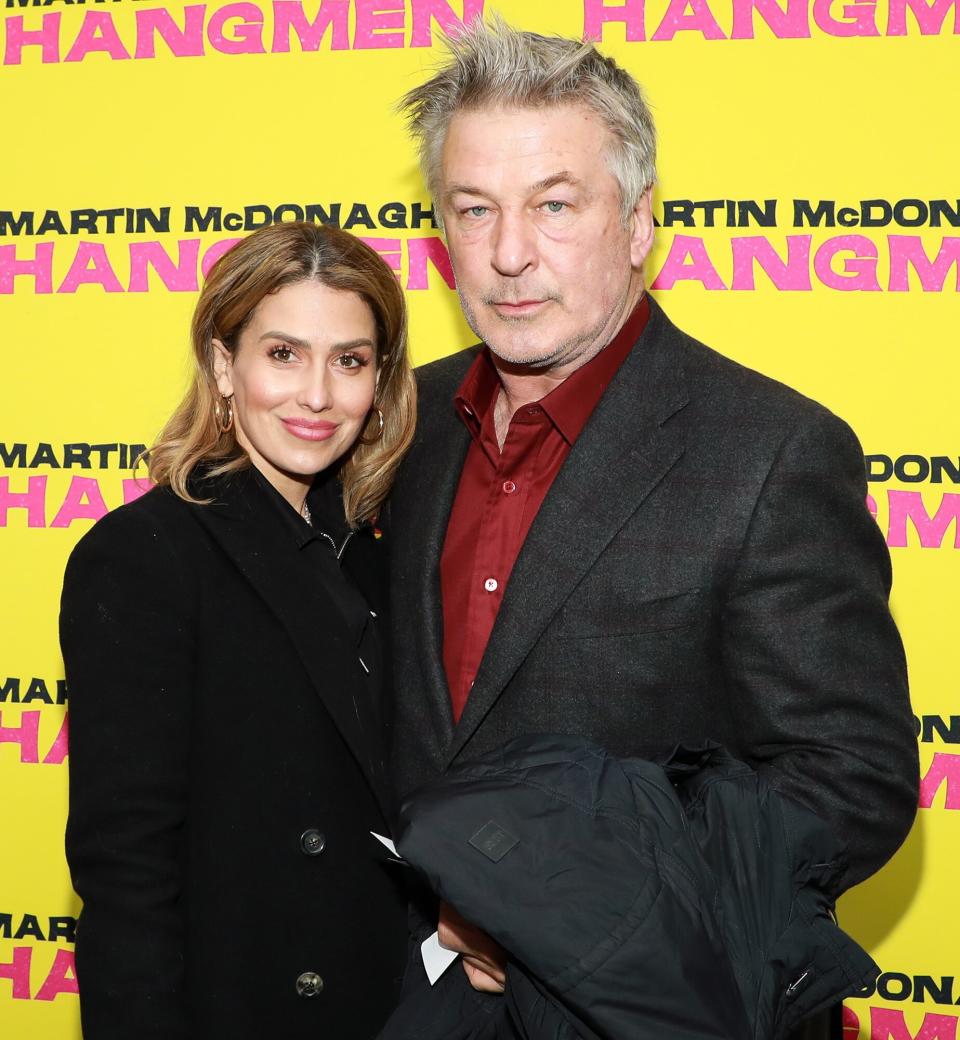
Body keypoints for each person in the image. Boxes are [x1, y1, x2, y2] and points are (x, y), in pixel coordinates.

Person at [385, 16, 919, 1011]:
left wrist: (561, 913)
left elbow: (849, 781)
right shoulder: (398, 425)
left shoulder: (770, 450)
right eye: (472, 209)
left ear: (637, 225)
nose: (506, 254)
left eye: (553, 205)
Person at [60, 220, 416, 1039]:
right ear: (225, 367)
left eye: (350, 360)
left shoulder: (380, 550)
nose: (319, 396)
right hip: (243, 1002)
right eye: (283, 355)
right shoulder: (143, 557)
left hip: (391, 1005)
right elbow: (126, 871)